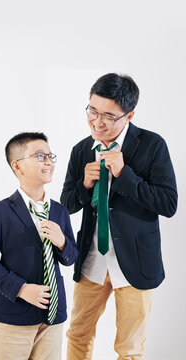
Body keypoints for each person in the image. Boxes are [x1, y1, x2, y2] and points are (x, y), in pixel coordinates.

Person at [60, 73, 177, 360]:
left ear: (130, 114)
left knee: (130, 348)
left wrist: (125, 175)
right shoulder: (80, 150)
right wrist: (83, 186)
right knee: (77, 334)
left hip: (135, 262)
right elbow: (66, 204)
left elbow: (168, 203)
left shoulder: (152, 145)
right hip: (91, 260)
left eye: (109, 116)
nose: (97, 122)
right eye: (92, 111)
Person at [0, 132, 78, 360]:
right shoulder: (2, 211)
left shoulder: (59, 211)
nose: (49, 162)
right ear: (18, 166)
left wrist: (62, 242)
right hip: (13, 316)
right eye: (40, 156)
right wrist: (21, 289)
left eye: (51, 156)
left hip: (53, 315)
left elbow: (71, 258)